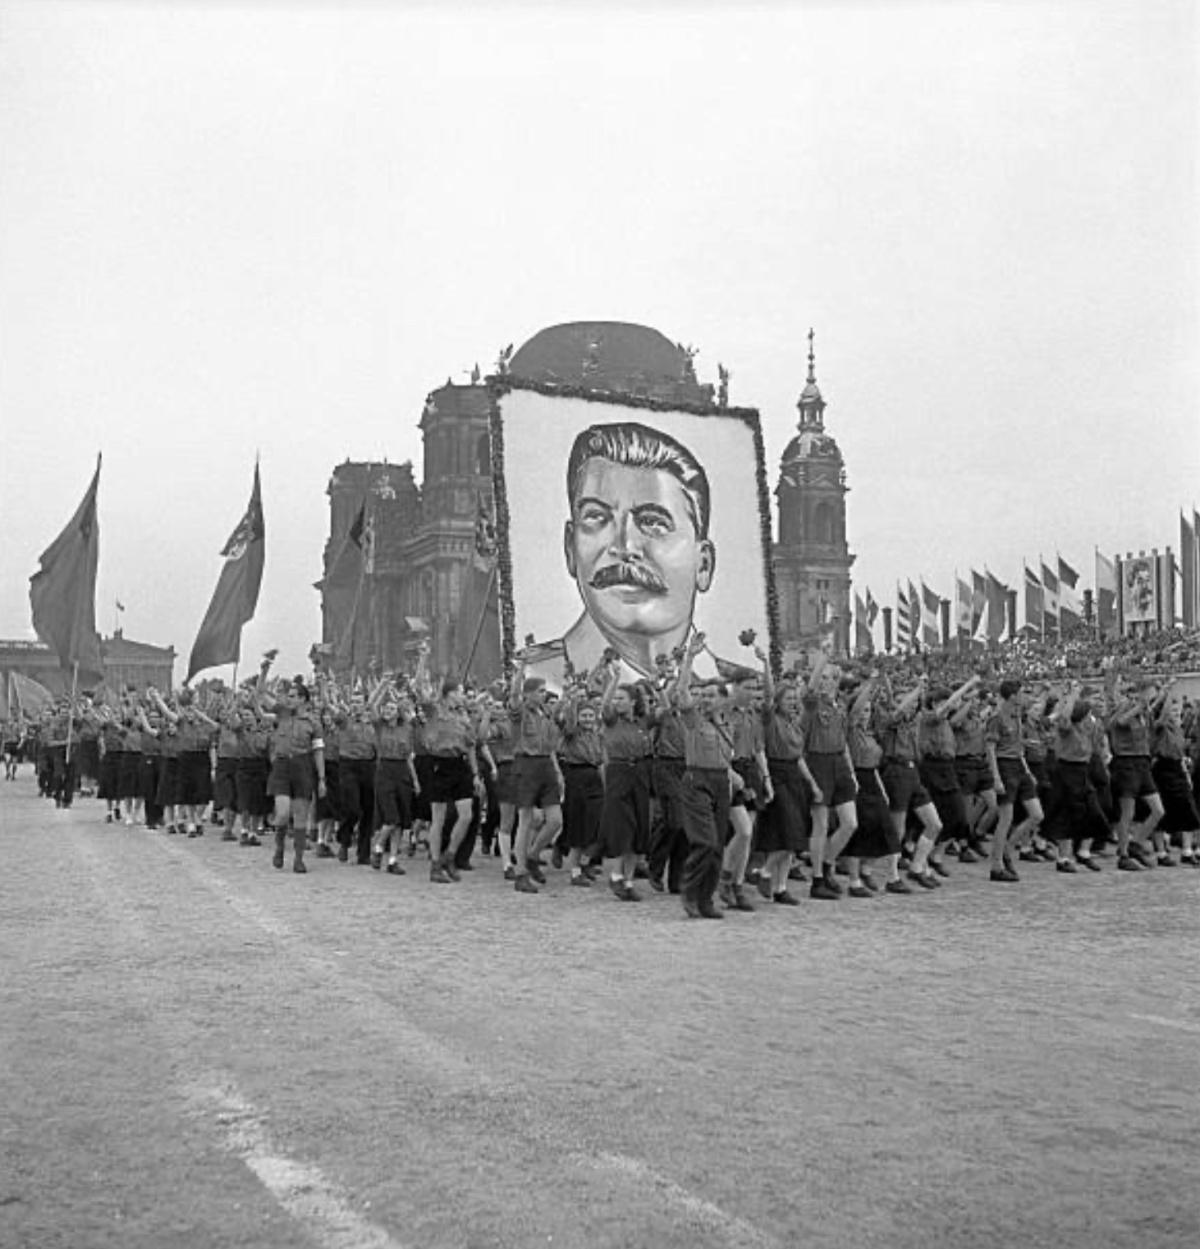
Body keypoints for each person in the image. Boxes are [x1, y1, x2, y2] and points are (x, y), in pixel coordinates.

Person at [525, 421, 735, 690]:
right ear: (571, 549)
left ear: (703, 565)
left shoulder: (746, 689)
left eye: (653, 522)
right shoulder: (528, 680)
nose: (624, 546)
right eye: (597, 517)